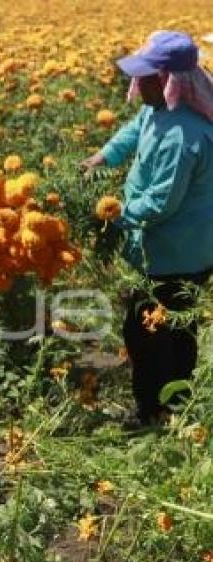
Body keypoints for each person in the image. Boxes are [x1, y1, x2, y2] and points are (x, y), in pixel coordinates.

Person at [81, 31, 213, 425]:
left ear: (170, 80)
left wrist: (111, 213)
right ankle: (178, 406)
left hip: (177, 252)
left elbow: (160, 203)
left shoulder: (183, 136)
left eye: (145, 77)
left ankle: (154, 412)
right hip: (189, 246)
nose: (136, 85)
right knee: (178, 326)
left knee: (147, 333)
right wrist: (102, 157)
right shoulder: (163, 109)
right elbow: (134, 130)